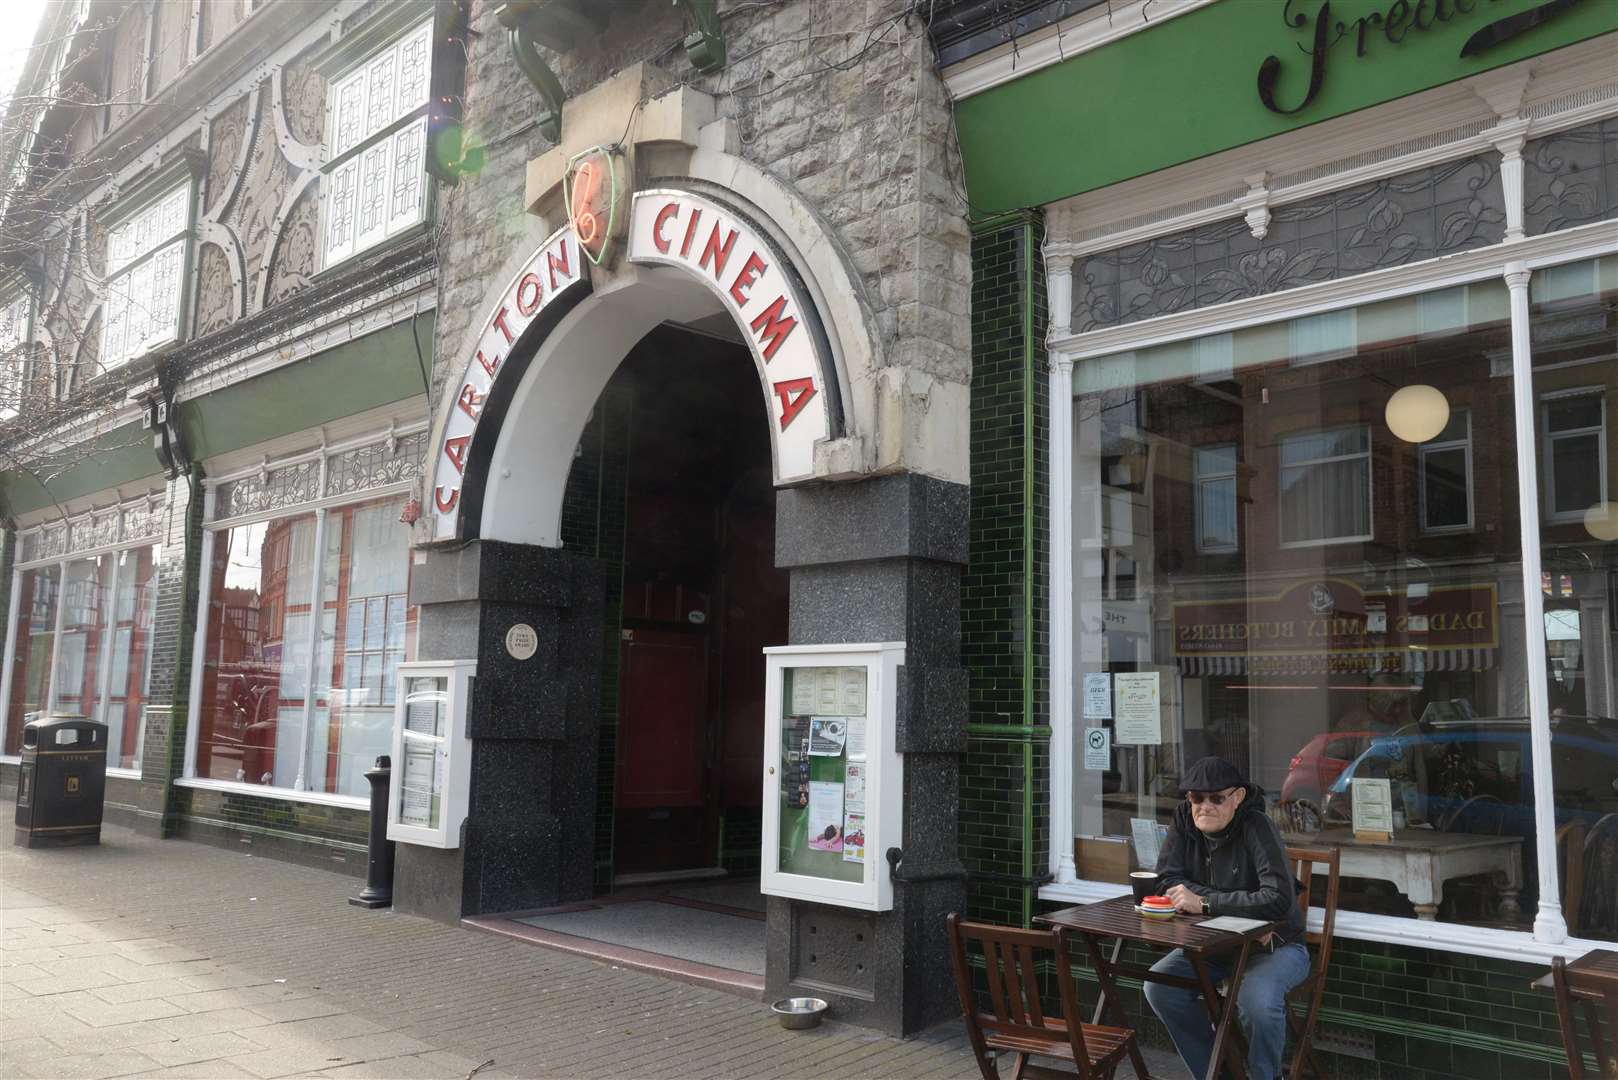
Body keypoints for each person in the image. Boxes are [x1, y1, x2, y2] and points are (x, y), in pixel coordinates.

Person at [1144, 756, 1309, 1080]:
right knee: (1159, 987)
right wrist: (1236, 905)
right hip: (1213, 945)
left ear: (1238, 797)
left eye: (1216, 798)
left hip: (1275, 947)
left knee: (1257, 1002)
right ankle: (1218, 1072)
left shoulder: (1257, 825)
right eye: (1196, 798)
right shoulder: (1184, 819)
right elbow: (1165, 880)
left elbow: (1277, 899)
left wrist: (1204, 902)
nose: (1204, 806)